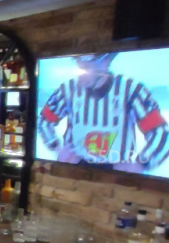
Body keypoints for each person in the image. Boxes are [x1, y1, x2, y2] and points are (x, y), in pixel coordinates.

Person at [39, 53, 169, 173]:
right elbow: (44, 121)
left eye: (88, 62)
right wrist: (57, 148)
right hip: (76, 169)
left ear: (106, 61)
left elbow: (161, 133)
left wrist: (140, 165)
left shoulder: (131, 90)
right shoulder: (68, 90)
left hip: (115, 174)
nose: (81, 67)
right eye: (78, 60)